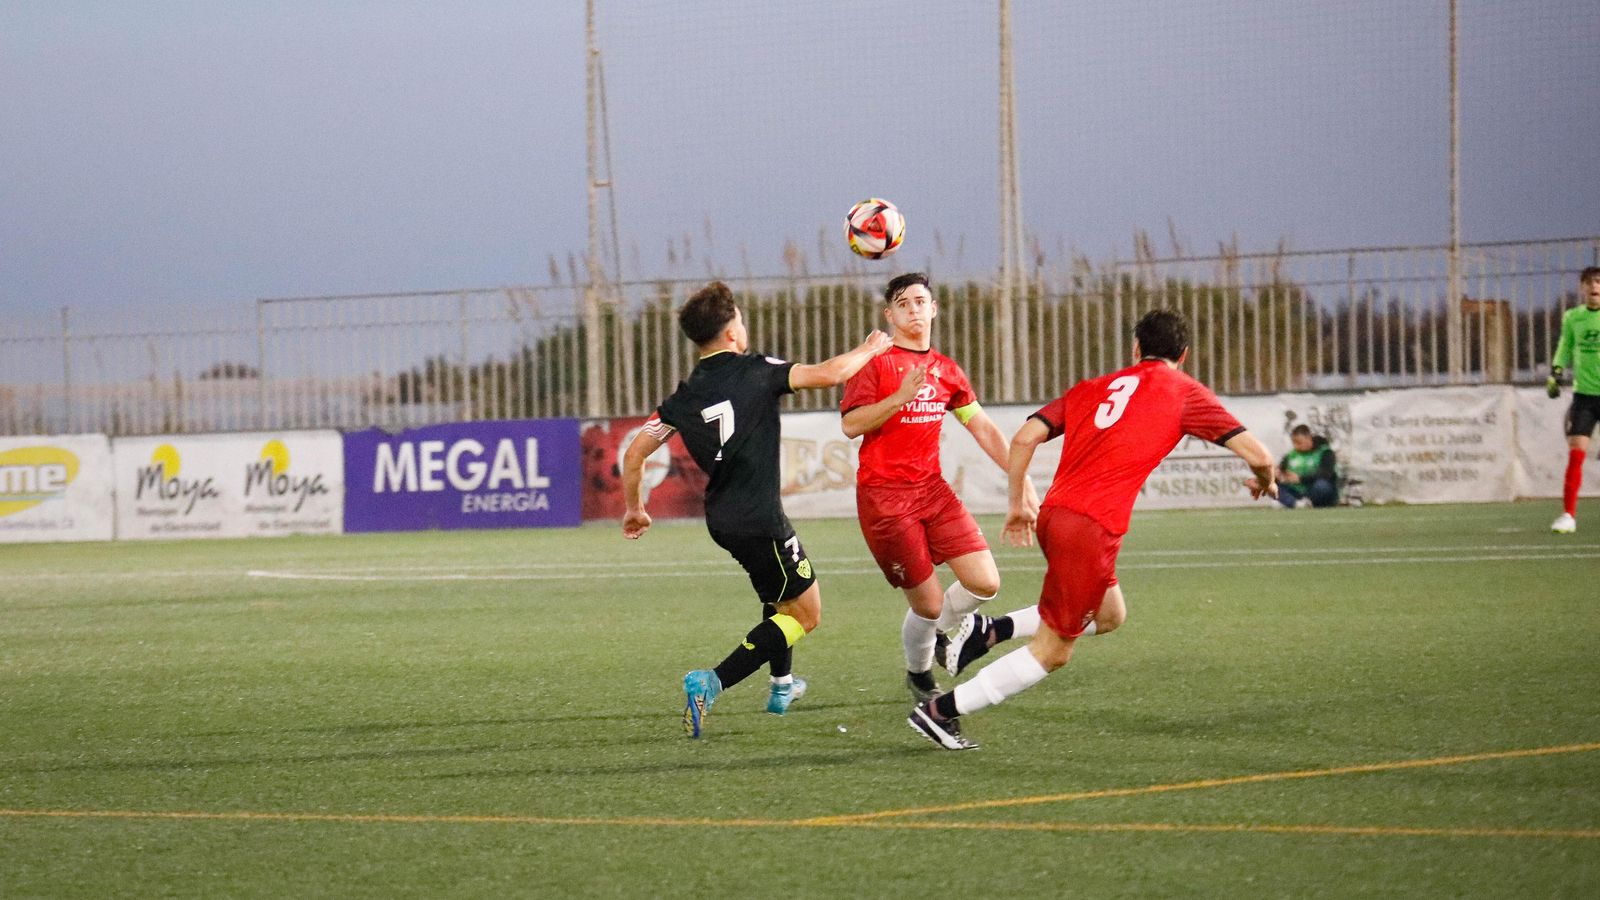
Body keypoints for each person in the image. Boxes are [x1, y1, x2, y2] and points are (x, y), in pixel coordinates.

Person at [907, 308, 1278, 750]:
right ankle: (940, 712)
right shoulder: (1184, 391)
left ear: (1135, 349)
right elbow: (1259, 455)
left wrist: (1017, 505)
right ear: (1184, 354)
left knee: (1109, 614)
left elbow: (1025, 437)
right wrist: (1265, 481)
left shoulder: (1093, 388)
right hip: (1091, 528)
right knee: (1053, 651)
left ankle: (989, 631)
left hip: (1055, 515)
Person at [621, 281, 892, 738]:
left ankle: (782, 686)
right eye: (740, 320)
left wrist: (635, 509)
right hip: (760, 518)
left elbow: (634, 455)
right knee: (806, 615)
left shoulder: (683, 397)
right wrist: (872, 346)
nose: (744, 327)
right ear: (730, 333)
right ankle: (711, 682)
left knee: (777, 597)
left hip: (722, 519)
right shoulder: (757, 370)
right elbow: (830, 373)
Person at [840, 272, 1041, 702]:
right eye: (903, 303)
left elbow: (983, 428)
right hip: (885, 498)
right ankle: (919, 672)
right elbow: (850, 424)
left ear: (933, 309)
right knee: (928, 606)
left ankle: (946, 637)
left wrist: (1019, 480)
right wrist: (898, 398)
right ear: (889, 314)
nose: (913, 309)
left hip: (932, 490)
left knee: (985, 583)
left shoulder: (947, 371)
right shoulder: (876, 364)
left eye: (920, 302)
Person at [1546, 266, 1600, 534]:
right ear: (1582, 287)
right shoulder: (1573, 317)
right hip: (1585, 397)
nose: (1595, 287)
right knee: (1576, 455)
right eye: (1589, 282)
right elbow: (1564, 346)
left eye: (1599, 282)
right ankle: (1568, 515)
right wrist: (1555, 373)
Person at [1259, 424, 1338, 508]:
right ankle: (1296, 504)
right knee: (1269, 485)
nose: (1296, 446)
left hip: (1314, 490)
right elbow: (1281, 471)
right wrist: (1277, 475)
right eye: (1294, 443)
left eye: (1299, 443)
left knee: (1322, 486)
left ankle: (1301, 502)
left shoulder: (1325, 452)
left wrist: (1300, 478)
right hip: (1296, 491)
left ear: (1309, 438)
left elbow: (1325, 474)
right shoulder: (1291, 455)